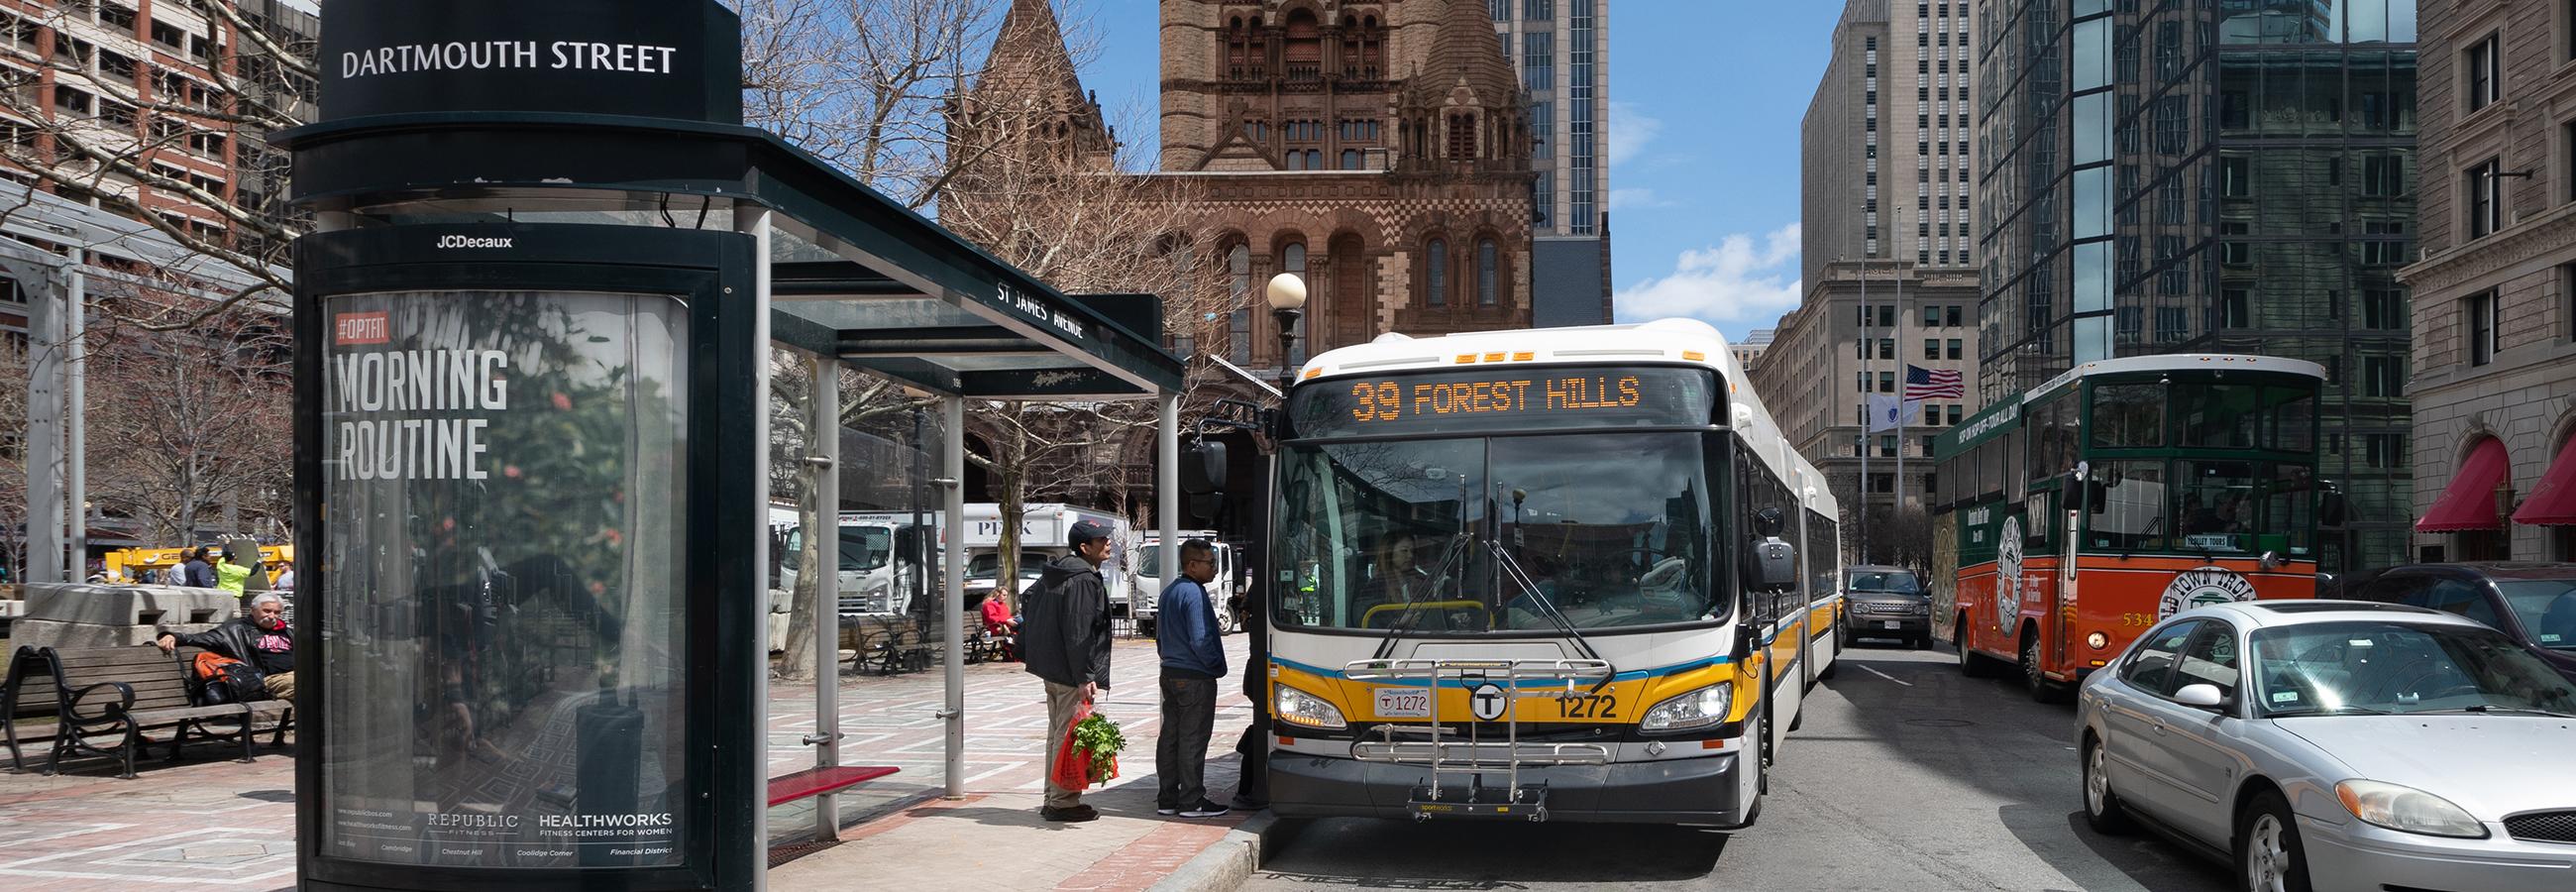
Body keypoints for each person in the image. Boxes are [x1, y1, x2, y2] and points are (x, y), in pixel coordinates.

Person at [1020, 518, 1116, 823]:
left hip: (1053, 668)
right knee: (1068, 736)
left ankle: (1054, 797)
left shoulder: (1060, 572)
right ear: (1085, 548)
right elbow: (1079, 632)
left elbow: (1027, 600)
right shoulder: (1083, 579)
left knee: (1058, 734)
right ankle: (1062, 802)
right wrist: (1084, 676)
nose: (1108, 543)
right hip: (1070, 672)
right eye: (1101, 540)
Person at [1154, 539, 1230, 819]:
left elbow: (1160, 639)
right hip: (1195, 677)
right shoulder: (1194, 594)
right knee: (1193, 739)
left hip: (1171, 673)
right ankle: (1192, 801)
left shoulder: (1170, 591)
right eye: (1210, 563)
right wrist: (1216, 667)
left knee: (1170, 737)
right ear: (1192, 564)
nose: (1214, 568)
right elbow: (1201, 638)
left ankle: (1167, 798)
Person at [156, 592, 295, 700]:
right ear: (253, 610)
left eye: (277, 612)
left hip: (293, 675)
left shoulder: (287, 631)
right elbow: (203, 638)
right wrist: (174, 636)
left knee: (313, 681)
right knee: (303, 684)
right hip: (263, 680)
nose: (272, 616)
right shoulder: (235, 629)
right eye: (267, 611)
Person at [977, 591, 1020, 660]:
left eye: (1006, 595)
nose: (1005, 597)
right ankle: (1015, 653)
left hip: (1004, 625)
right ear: (997, 594)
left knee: (1022, 623)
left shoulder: (1002, 604)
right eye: (1004, 595)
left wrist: (1010, 620)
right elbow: (992, 618)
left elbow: (1007, 616)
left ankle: (1019, 652)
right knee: (1021, 626)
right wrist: (1006, 620)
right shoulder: (989, 605)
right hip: (995, 627)